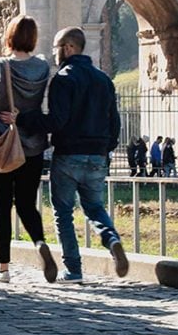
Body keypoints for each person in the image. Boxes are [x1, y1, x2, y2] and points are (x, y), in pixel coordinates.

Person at [18, 26, 128, 283]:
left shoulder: (64, 78)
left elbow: (57, 121)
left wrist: (24, 118)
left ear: (68, 48)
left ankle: (74, 270)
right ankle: (111, 239)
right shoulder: (103, 79)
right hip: (98, 155)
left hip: (68, 154)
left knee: (63, 212)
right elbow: (115, 122)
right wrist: (106, 148)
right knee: (94, 207)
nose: (54, 52)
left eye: (57, 47)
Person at [0, 15, 57, 284]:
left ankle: (4, 268)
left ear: (9, 36)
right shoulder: (42, 68)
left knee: (2, 205)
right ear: (33, 39)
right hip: (33, 145)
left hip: (2, 145)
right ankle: (39, 242)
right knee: (27, 203)